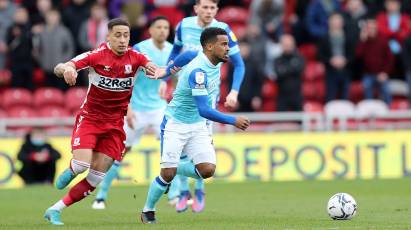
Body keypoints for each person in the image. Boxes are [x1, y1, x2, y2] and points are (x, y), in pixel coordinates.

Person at [43, 18, 157, 226]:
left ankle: (54, 209)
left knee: (95, 178)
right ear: (108, 37)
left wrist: (154, 70)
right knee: (80, 165)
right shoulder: (96, 56)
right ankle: (71, 170)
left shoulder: (136, 57)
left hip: (115, 125)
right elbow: (63, 65)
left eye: (126, 35)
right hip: (91, 119)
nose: (123, 40)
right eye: (118, 35)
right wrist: (67, 70)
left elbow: (150, 65)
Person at [140, 27, 250, 224]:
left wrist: (165, 70)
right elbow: (204, 110)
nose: (228, 48)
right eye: (224, 44)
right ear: (209, 46)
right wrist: (234, 120)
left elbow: (186, 55)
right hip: (176, 123)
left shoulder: (201, 56)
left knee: (207, 170)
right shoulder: (198, 73)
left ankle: (172, 167)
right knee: (166, 176)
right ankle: (148, 210)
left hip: (197, 126)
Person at [167, 0, 245, 213]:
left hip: (207, 96)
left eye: (213, 8)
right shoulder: (184, 25)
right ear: (196, 9)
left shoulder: (223, 31)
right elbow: (174, 54)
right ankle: (184, 191)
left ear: (217, 10)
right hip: (183, 92)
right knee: (181, 145)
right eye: (205, 7)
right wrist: (166, 78)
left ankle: (199, 189)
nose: (209, 11)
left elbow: (239, 64)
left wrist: (234, 91)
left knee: (203, 145)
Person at [91, 16, 177, 210]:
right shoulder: (138, 49)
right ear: (151, 30)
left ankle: (175, 194)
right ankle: (101, 196)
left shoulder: (173, 49)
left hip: (158, 108)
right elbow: (124, 78)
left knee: (173, 149)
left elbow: (173, 73)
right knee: (119, 153)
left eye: (166, 27)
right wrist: (127, 108)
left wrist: (166, 81)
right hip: (135, 108)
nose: (163, 30)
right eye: (159, 27)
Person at [317, 13, 355, 102]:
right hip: (330, 71)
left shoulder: (348, 37)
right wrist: (330, 60)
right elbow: (320, 55)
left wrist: (345, 60)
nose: (336, 23)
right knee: (330, 97)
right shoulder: (324, 37)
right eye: (334, 21)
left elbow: (352, 54)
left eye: (338, 21)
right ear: (329, 22)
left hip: (346, 70)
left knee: (345, 97)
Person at [357, 17, 394, 104]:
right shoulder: (364, 41)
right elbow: (358, 56)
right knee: (367, 87)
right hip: (368, 74)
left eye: (373, 28)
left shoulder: (383, 40)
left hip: (381, 73)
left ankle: (389, 113)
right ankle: (369, 110)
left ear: (376, 28)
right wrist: (362, 41)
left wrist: (385, 72)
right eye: (369, 28)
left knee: (386, 90)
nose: (371, 30)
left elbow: (390, 58)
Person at [275, 34, 304, 111]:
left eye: (289, 45)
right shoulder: (277, 60)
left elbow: (300, 69)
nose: (287, 47)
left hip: (297, 94)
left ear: (293, 45)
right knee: (280, 121)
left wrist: (285, 69)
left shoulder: (299, 57)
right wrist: (292, 68)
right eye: (285, 45)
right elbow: (279, 73)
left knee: (299, 120)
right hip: (282, 94)